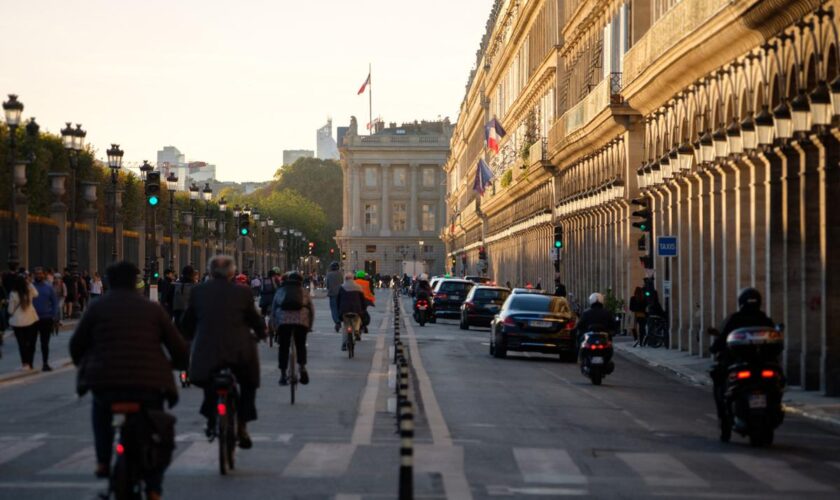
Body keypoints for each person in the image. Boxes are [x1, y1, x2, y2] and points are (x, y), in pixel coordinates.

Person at [69, 261, 187, 500]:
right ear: (136, 283)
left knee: (101, 412)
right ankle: (154, 488)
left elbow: (76, 346)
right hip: (148, 385)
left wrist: (87, 364)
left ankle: (103, 461)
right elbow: (177, 348)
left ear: (109, 282)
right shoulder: (152, 309)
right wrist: (178, 364)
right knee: (157, 431)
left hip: (106, 383)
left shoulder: (97, 307)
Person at [180, 255, 266, 448]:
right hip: (239, 350)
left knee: (209, 381)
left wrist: (190, 338)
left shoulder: (199, 291)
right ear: (232, 272)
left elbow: (187, 323)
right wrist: (261, 333)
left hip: (207, 351)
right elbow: (254, 319)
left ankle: (211, 419)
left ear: (210, 272)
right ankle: (242, 426)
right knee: (248, 383)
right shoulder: (243, 293)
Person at [709, 288, 776, 425]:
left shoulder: (735, 319)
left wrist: (714, 348)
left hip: (739, 363)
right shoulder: (765, 320)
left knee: (719, 378)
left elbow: (722, 339)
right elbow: (776, 344)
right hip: (762, 363)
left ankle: (724, 418)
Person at [272, 271, 314, 385]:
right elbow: (311, 310)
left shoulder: (281, 290)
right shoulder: (304, 292)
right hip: (301, 322)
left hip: (283, 322)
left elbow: (274, 309)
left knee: (283, 348)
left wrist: (274, 326)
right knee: (301, 345)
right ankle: (302, 367)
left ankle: (283, 375)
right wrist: (309, 326)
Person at [8, 274, 39, 370]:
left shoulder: (13, 293)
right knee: (30, 343)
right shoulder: (29, 291)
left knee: (21, 344)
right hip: (31, 320)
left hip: (18, 322)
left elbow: (10, 310)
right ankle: (30, 362)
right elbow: (37, 294)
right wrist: (30, 283)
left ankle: (25, 364)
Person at [32, 267, 60, 371]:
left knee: (45, 343)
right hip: (32, 319)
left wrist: (53, 315)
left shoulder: (49, 288)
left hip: (46, 318)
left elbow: (55, 302)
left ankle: (45, 363)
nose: (38, 275)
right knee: (31, 342)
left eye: (40, 274)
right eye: (36, 274)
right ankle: (29, 364)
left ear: (44, 275)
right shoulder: (31, 287)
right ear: (34, 275)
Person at [336, 272, 365, 351]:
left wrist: (338, 310)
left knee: (345, 326)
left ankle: (344, 344)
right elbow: (362, 301)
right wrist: (362, 309)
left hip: (344, 310)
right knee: (358, 319)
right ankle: (356, 330)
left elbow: (338, 300)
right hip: (356, 309)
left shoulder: (342, 287)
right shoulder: (358, 287)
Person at [170, 266, 196, 330]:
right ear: (192, 275)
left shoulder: (175, 285)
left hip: (177, 311)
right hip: (189, 313)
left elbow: (170, 299)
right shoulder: (195, 287)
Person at [325, 261, 344, 332]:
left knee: (334, 309)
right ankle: (340, 319)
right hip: (340, 293)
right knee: (339, 307)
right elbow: (342, 282)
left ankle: (337, 321)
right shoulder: (340, 274)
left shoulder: (328, 274)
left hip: (332, 294)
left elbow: (327, 285)